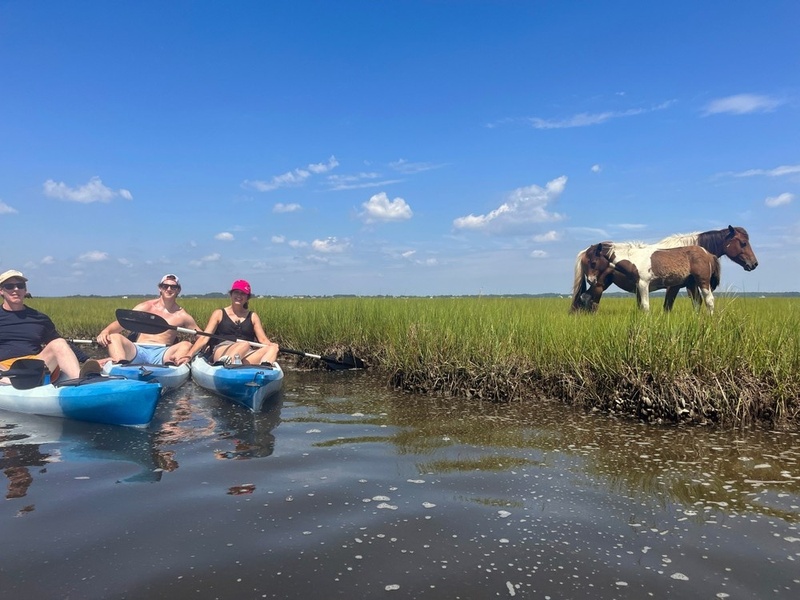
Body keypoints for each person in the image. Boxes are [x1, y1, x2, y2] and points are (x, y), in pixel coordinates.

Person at [96, 274, 200, 366]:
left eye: (173, 287)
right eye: (165, 286)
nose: (169, 289)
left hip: (164, 353)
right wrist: (105, 331)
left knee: (186, 344)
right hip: (138, 350)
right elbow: (122, 324)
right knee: (114, 337)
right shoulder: (145, 307)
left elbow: (201, 336)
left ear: (178, 290)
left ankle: (172, 364)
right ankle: (120, 363)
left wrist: (207, 345)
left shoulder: (183, 315)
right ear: (160, 288)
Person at [0, 269, 82, 381]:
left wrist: (86, 360)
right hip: (4, 370)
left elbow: (62, 345)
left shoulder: (39, 318)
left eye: (20, 286)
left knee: (58, 342)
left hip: (35, 366)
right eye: (9, 286)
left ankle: (79, 382)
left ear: (25, 290)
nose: (16, 289)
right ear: (1, 291)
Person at [185, 279, 279, 366]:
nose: (239, 296)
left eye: (243, 293)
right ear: (231, 294)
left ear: (247, 298)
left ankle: (265, 370)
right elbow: (204, 337)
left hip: (245, 354)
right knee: (244, 344)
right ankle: (227, 363)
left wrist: (272, 345)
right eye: (236, 292)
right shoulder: (219, 313)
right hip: (222, 350)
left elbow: (263, 340)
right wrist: (189, 355)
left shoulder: (253, 316)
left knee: (273, 348)